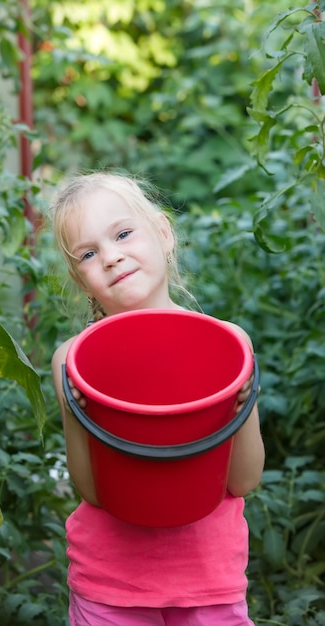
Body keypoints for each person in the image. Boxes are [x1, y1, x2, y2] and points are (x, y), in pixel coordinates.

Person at [50, 171, 265, 626]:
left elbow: (242, 481)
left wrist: (242, 399)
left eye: (124, 233)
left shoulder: (228, 345)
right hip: (110, 586)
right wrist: (78, 409)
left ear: (164, 235)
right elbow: (92, 490)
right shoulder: (73, 360)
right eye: (89, 254)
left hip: (210, 582)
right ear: (80, 280)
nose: (111, 257)